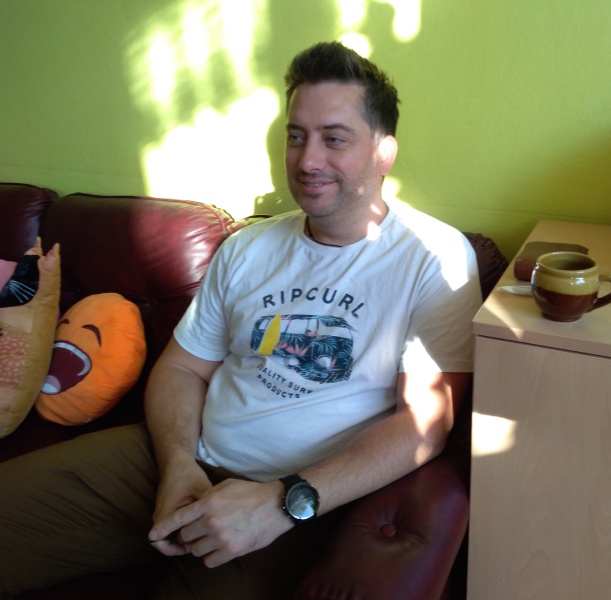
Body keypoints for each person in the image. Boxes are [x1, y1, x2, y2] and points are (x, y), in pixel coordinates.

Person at [0, 41, 481, 599]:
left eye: (334, 138)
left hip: (298, 498)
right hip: (176, 459)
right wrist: (177, 462)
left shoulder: (434, 257)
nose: (308, 160)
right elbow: (181, 368)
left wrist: (285, 502)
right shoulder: (249, 247)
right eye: (296, 136)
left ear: (383, 151)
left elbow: (425, 423)